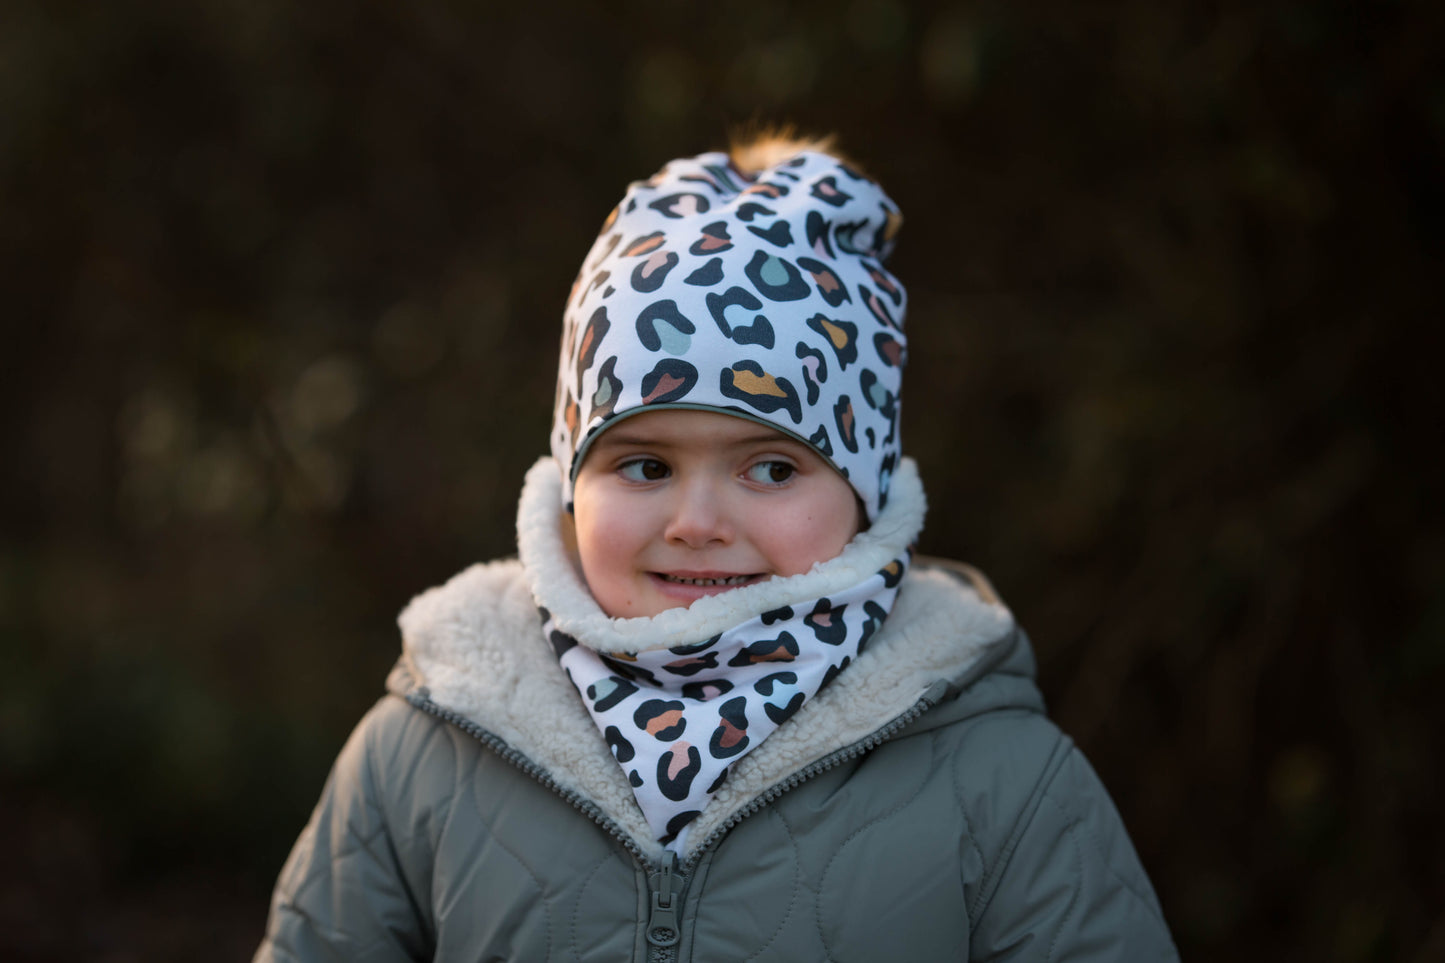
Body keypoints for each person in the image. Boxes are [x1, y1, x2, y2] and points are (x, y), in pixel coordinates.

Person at [255, 133, 1179, 961]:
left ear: (863, 490)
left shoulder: (1000, 779)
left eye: (772, 468)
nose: (697, 520)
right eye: (645, 464)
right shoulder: (428, 745)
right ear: (570, 478)